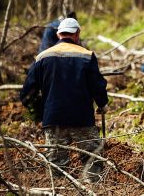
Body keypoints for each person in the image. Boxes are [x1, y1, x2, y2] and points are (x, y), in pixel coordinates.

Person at [20, 18, 108, 183]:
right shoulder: (87, 56)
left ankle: (59, 191)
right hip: (82, 119)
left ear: (58, 34)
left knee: (57, 168)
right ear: (77, 34)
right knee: (92, 161)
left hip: (53, 120)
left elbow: (26, 94)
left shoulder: (42, 57)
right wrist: (103, 104)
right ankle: (94, 190)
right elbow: (97, 86)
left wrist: (40, 111)